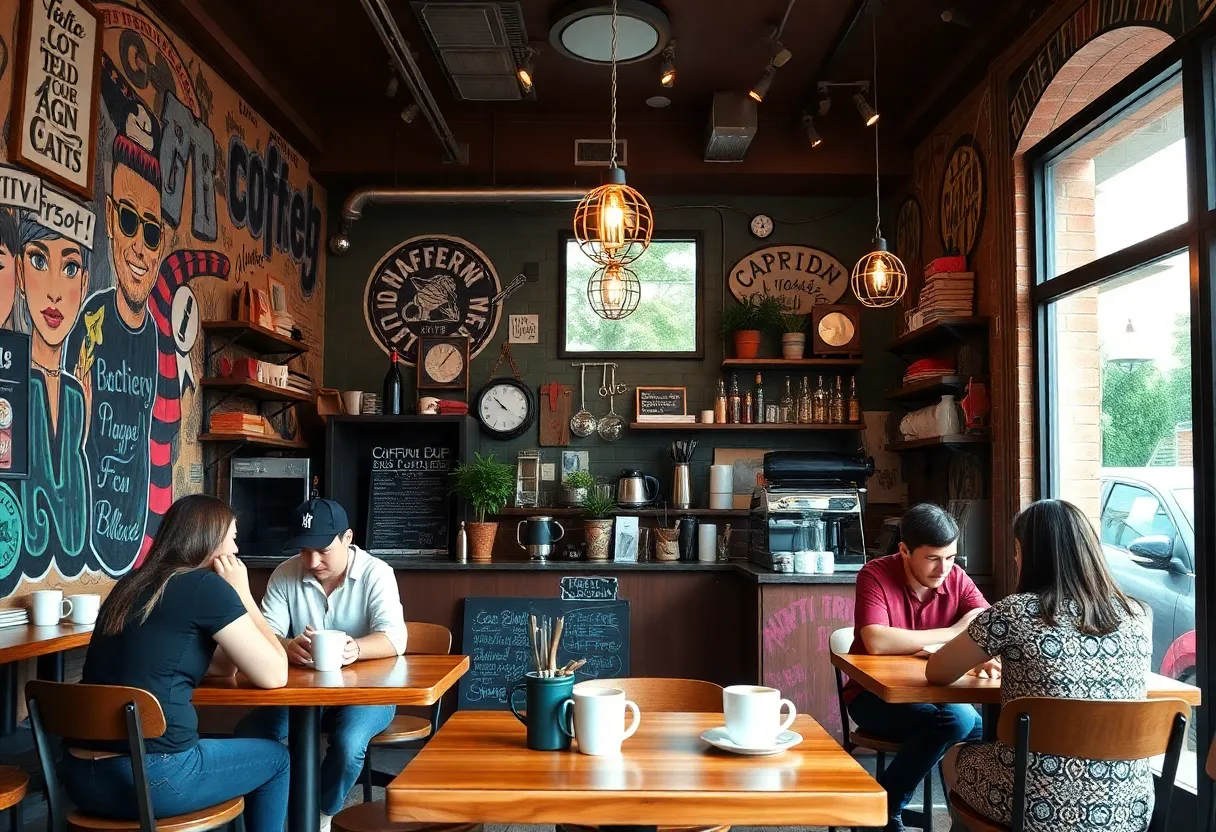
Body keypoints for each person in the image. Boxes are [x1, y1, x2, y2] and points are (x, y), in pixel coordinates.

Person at [62, 494, 290, 831]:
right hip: (155, 780)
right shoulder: (205, 587)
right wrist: (244, 595)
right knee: (277, 759)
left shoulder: (129, 584)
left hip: (82, 780)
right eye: (233, 539)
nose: (237, 552)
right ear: (212, 544)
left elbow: (224, 666)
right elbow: (275, 674)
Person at [929, 499, 1153, 832]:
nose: (1016, 559)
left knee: (953, 757)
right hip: (1126, 805)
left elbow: (938, 671)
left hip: (1032, 805)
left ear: (1034, 557)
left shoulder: (1015, 612)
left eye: (1018, 550)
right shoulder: (1138, 614)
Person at [236, 497, 407, 831]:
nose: (312, 561)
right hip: (302, 693)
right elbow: (265, 634)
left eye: (323, 550)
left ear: (347, 538)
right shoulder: (284, 574)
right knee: (251, 732)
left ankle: (321, 814)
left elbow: (394, 639)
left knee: (348, 743)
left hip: (370, 693)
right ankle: (264, 818)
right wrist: (286, 645)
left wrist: (354, 648)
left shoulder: (377, 573)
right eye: (303, 551)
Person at [845, 503, 993, 832]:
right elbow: (877, 641)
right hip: (874, 698)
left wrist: (983, 652)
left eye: (951, 557)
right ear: (904, 550)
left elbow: (987, 622)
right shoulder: (875, 574)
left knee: (993, 734)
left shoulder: (956, 577)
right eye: (933, 558)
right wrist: (955, 633)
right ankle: (885, 807)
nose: (944, 569)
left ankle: (965, 819)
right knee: (960, 719)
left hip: (934, 695)